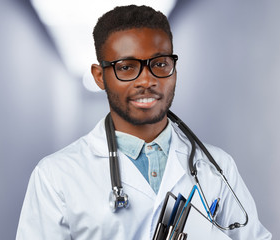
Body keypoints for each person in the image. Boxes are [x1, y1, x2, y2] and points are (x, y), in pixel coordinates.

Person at [16, 5, 271, 240]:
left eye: (160, 64)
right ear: (99, 76)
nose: (147, 80)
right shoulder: (55, 176)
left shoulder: (218, 167)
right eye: (126, 67)